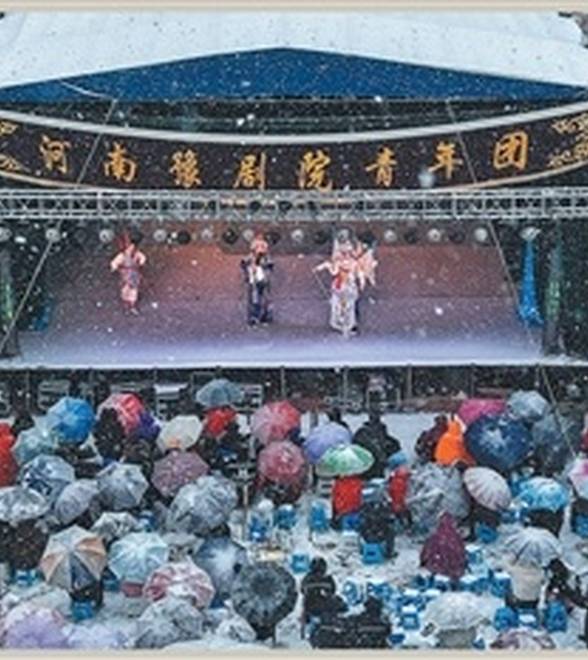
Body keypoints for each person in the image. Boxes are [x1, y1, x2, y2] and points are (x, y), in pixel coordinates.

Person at [313, 251, 360, 338]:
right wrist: (322, 267)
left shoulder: (354, 263)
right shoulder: (338, 263)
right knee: (338, 307)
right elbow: (333, 272)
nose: (346, 257)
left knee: (349, 307)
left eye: (348, 254)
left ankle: (349, 326)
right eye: (344, 254)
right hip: (339, 288)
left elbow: (356, 274)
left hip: (349, 288)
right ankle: (341, 325)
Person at [110, 231, 147, 315]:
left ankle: (132, 306)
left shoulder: (137, 254)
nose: (131, 249)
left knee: (134, 289)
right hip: (125, 273)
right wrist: (115, 267)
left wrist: (141, 264)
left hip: (134, 272)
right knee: (126, 289)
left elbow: (142, 259)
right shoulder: (123, 255)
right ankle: (126, 306)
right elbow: (115, 262)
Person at [241, 251, 273, 327]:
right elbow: (243, 263)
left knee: (265, 300)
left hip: (263, 282)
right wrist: (250, 267)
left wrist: (263, 264)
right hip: (254, 283)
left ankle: (264, 318)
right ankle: (254, 318)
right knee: (255, 301)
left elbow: (270, 265)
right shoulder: (250, 260)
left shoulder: (265, 260)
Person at [301, 557, 337, 623]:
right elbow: (303, 590)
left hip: (321, 605)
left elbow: (333, 590)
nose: (318, 574)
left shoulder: (327, 578)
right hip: (314, 605)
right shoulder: (308, 578)